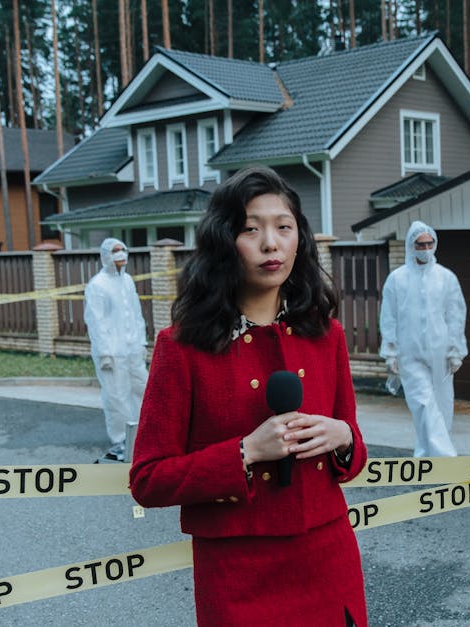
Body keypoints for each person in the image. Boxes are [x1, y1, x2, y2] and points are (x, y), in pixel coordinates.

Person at [129, 166, 369, 626]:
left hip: (327, 554)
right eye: (250, 229)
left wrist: (342, 436)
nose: (270, 243)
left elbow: (354, 455)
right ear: (224, 242)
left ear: (300, 239)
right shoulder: (181, 348)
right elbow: (148, 479)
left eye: (284, 227)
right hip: (237, 570)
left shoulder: (327, 335)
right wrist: (245, 452)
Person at [379, 221, 468, 457]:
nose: (426, 248)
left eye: (430, 244)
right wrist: (390, 352)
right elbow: (389, 317)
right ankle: (446, 457)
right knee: (422, 402)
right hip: (409, 353)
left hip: (441, 351)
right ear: (411, 245)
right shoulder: (397, 279)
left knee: (442, 404)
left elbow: (456, 315)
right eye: (421, 244)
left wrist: (455, 350)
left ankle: (426, 451)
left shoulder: (446, 278)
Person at [84, 237, 148, 463]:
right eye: (115, 251)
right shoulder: (97, 285)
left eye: (122, 250)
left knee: (143, 389)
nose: (120, 254)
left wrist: (141, 343)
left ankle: (143, 434)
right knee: (117, 396)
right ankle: (121, 440)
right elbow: (96, 322)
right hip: (112, 352)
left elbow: (137, 315)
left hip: (132, 350)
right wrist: (104, 353)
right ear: (105, 256)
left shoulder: (128, 281)